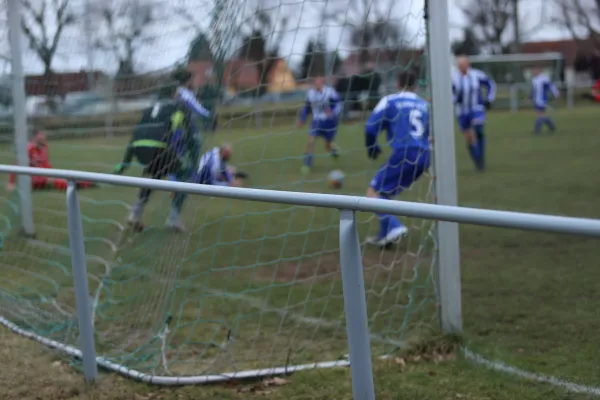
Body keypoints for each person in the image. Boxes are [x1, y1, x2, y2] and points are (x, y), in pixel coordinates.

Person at [115, 69, 209, 232]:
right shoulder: (180, 107)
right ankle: (173, 219)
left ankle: (135, 213)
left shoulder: (149, 108)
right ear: (174, 93)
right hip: (158, 148)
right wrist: (193, 163)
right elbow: (191, 138)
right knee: (185, 174)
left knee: (155, 173)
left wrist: (124, 164)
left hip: (139, 149)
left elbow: (134, 136)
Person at [363, 70, 431, 247]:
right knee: (385, 192)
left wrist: (372, 148)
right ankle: (384, 235)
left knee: (373, 192)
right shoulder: (424, 104)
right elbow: (430, 134)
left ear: (398, 84)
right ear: (415, 85)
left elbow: (370, 127)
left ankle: (394, 226)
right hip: (424, 156)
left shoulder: (390, 101)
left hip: (404, 153)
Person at [7, 130, 95, 191]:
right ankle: (78, 185)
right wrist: (11, 183)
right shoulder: (28, 149)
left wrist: (53, 172)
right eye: (41, 135)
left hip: (44, 176)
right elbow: (15, 164)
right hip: (33, 180)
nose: (43, 137)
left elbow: (46, 164)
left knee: (65, 175)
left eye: (43, 136)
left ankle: (87, 183)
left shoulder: (43, 148)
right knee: (57, 181)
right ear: (35, 137)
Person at [452, 55, 496, 171]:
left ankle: (481, 160)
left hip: (476, 108)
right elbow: (450, 93)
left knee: (478, 131)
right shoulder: (454, 78)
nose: (461, 67)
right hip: (462, 111)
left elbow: (491, 84)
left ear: (468, 64)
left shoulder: (477, 75)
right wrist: (455, 99)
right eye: (459, 65)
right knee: (470, 138)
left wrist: (489, 99)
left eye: (463, 64)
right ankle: (478, 161)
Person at [297, 76, 341, 175]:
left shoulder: (330, 92)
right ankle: (307, 164)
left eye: (319, 82)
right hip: (316, 121)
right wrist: (302, 119)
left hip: (329, 122)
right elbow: (306, 108)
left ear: (322, 82)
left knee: (327, 145)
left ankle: (334, 151)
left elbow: (338, 104)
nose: (317, 84)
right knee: (310, 142)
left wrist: (333, 112)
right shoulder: (310, 94)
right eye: (315, 82)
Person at [530, 67, 559, 134]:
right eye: (533, 70)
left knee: (539, 114)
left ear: (539, 70)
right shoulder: (534, 79)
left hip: (543, 99)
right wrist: (530, 96)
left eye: (535, 70)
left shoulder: (544, 78)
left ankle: (537, 130)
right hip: (537, 100)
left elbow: (551, 86)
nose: (534, 72)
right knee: (542, 115)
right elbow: (535, 90)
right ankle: (552, 127)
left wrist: (556, 94)